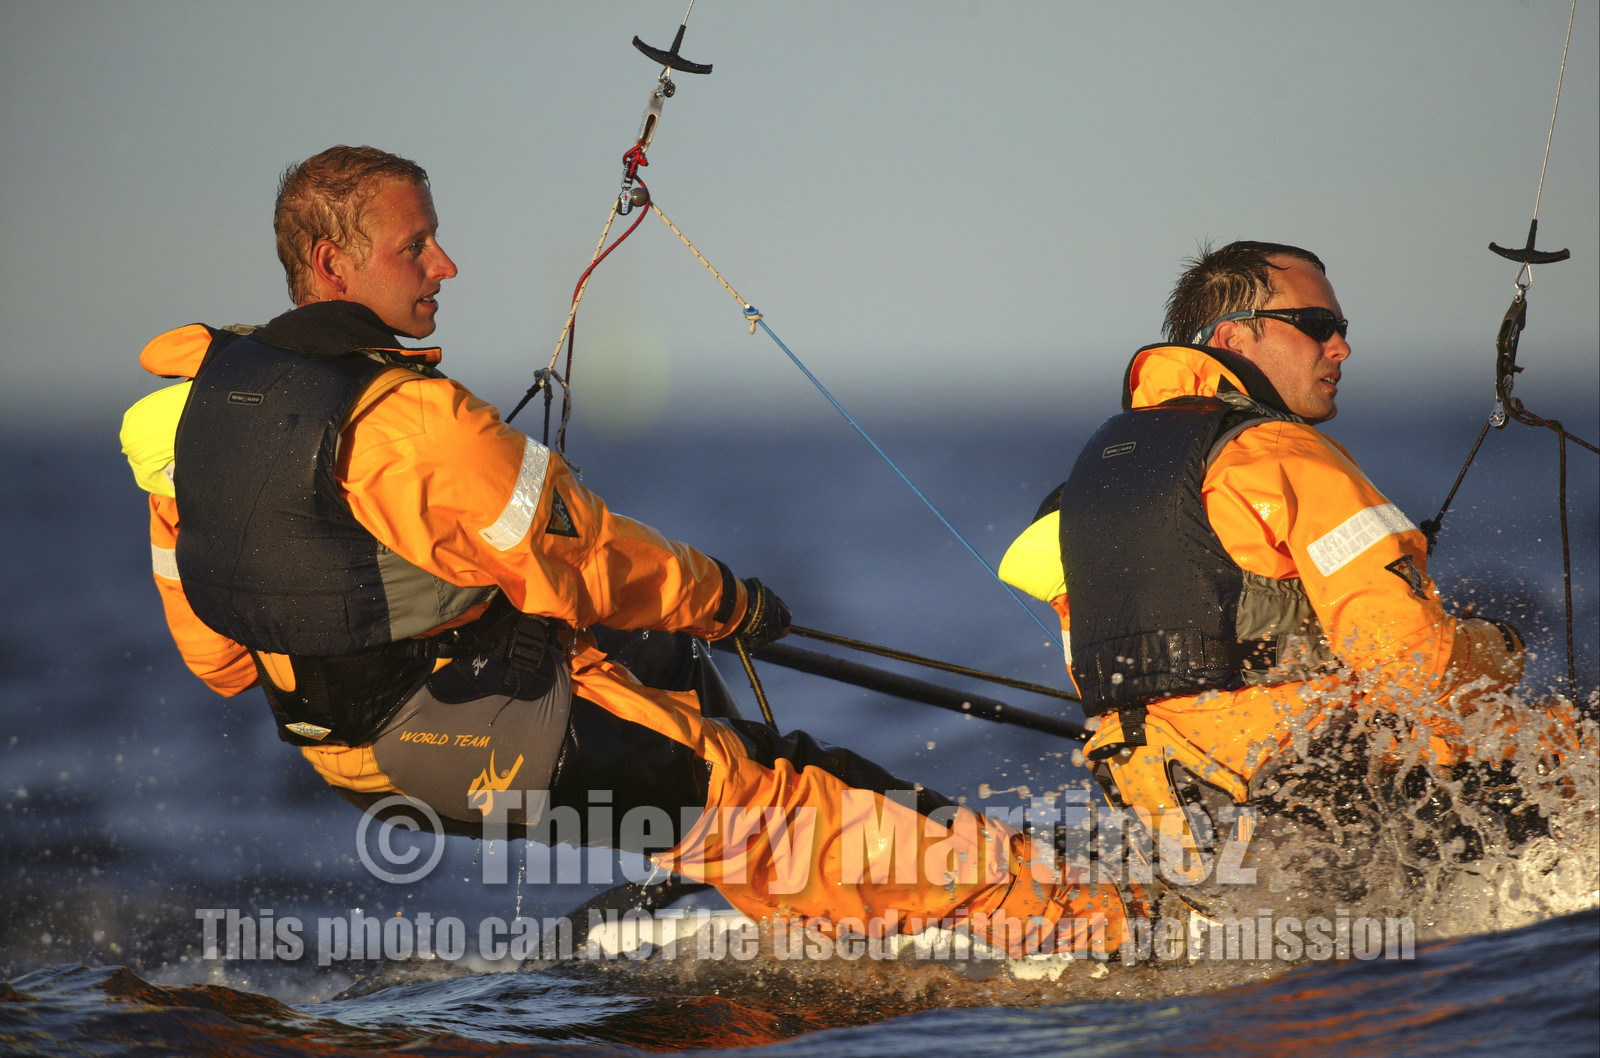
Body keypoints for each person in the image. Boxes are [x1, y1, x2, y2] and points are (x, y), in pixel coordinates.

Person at [120, 145, 1136, 959]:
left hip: (348, 751)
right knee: (780, 795)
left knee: (664, 671)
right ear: (335, 264)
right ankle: (1101, 927)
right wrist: (726, 596)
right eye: (415, 246)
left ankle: (783, 896)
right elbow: (586, 557)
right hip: (461, 734)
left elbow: (217, 657)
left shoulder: (189, 421)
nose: (446, 266)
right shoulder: (413, 419)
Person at [999, 241, 1569, 909]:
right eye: (1317, 326)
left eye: (1342, 331)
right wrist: (1503, 649)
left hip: (1187, 835)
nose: (1340, 349)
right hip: (1326, 808)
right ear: (1235, 337)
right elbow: (1415, 664)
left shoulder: (1088, 486)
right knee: (1566, 741)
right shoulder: (1278, 452)